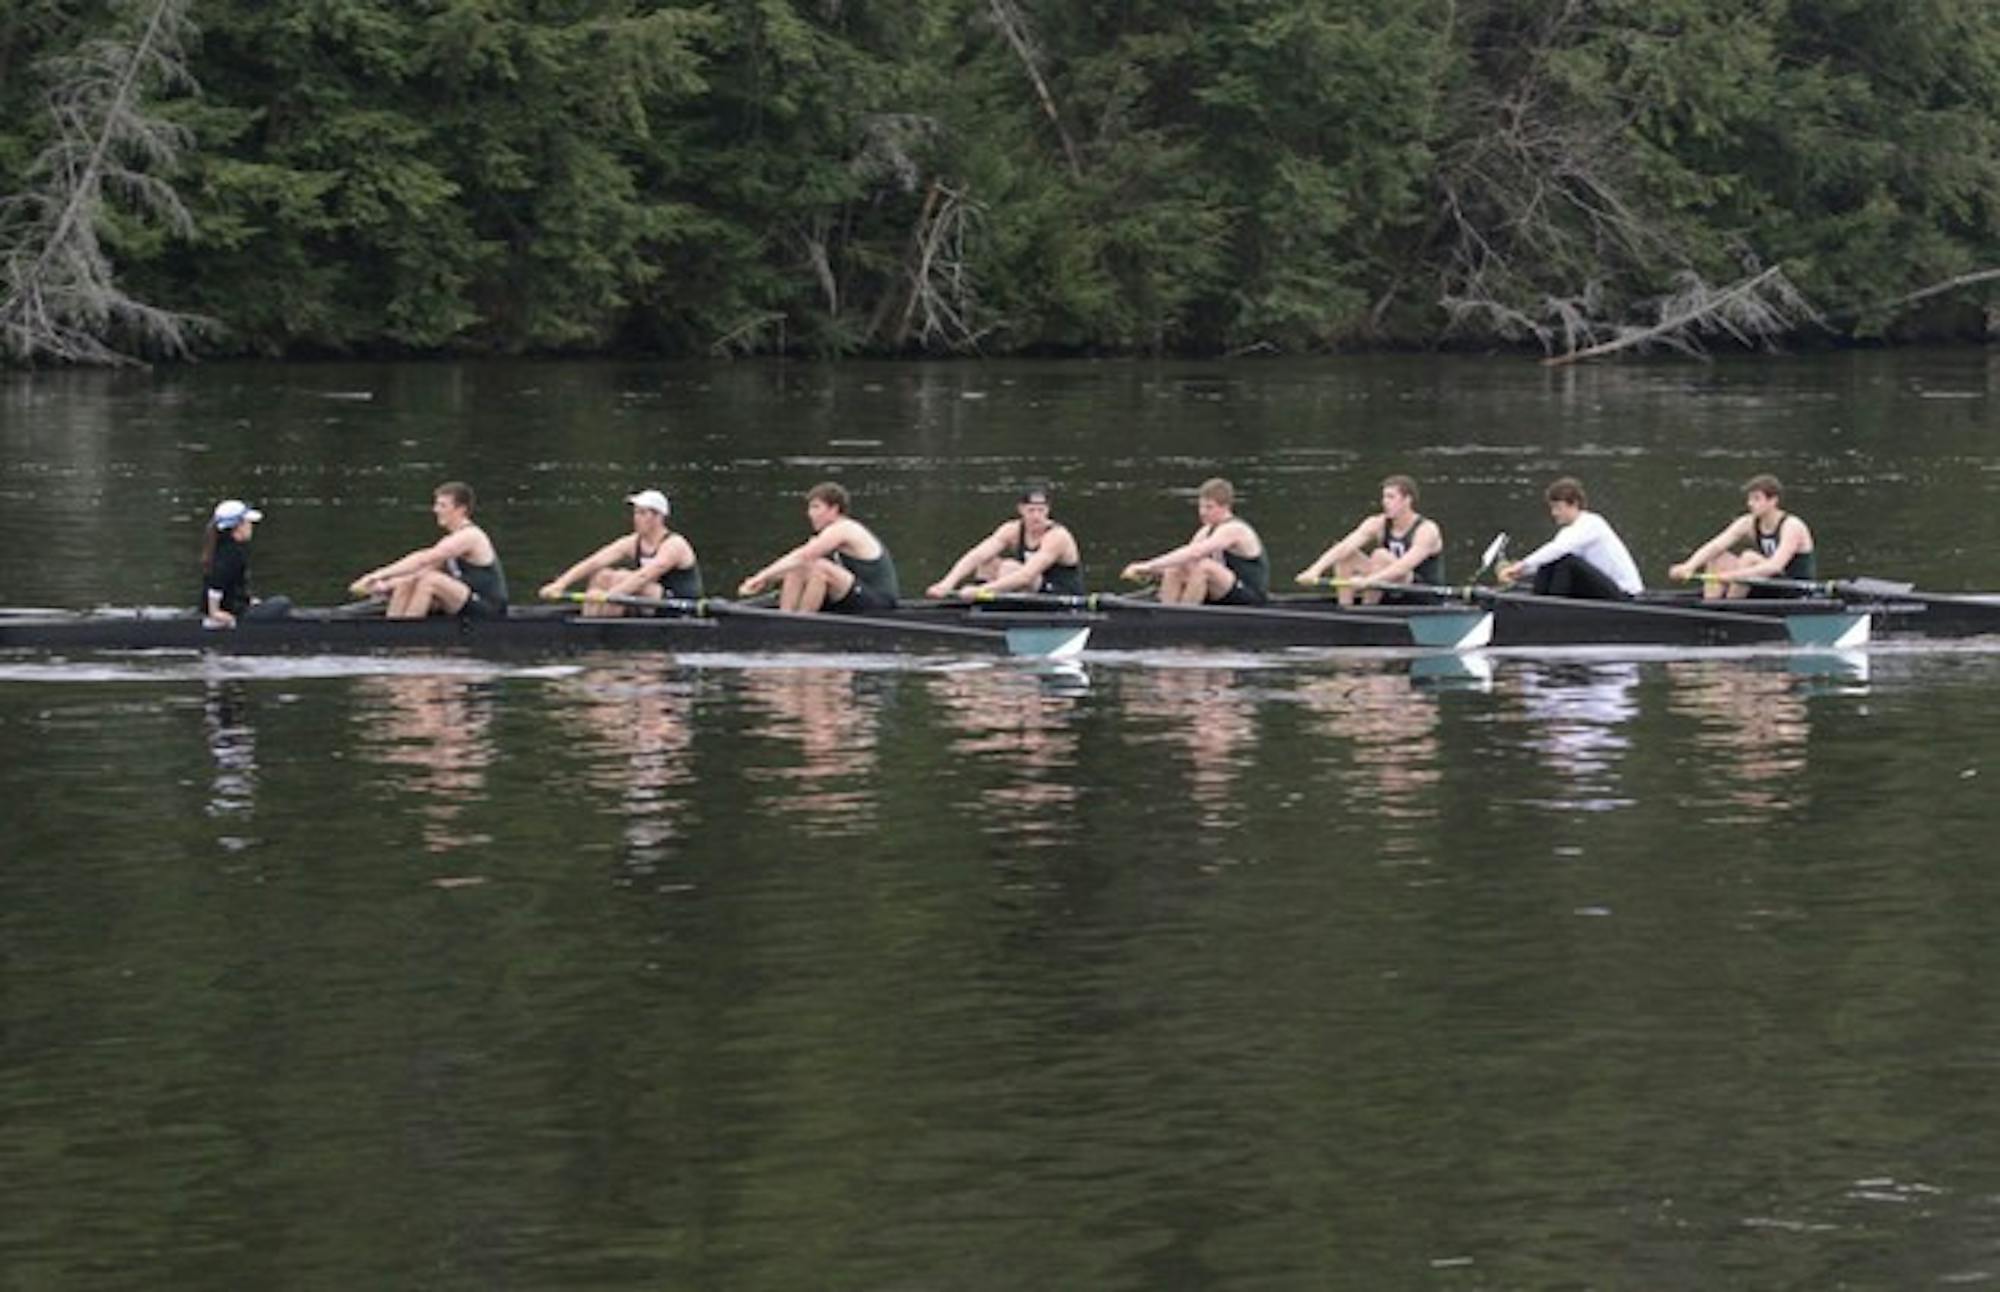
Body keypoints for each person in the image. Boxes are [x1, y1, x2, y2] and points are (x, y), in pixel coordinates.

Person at [348, 481, 509, 619]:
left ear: (461, 509)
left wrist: (377, 574)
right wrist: (383, 586)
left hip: (489, 608)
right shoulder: (449, 541)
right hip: (463, 601)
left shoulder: (471, 536)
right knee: (409, 581)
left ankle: (407, 635)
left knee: (429, 580)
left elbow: (423, 558)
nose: (435, 510)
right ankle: (393, 630)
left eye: (442, 505)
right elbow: (419, 570)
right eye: (436, 504)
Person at [738, 482, 901, 613]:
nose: (810, 513)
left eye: (816, 507)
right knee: (798, 567)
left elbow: (804, 555)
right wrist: (766, 581)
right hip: (853, 595)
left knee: (819, 567)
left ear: (834, 509)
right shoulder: (827, 535)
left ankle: (803, 622)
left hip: (879, 602)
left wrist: (760, 577)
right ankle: (786, 617)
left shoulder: (845, 528)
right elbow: (796, 561)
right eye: (810, 507)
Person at [538, 489, 701, 616]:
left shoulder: (674, 545)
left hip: (678, 606)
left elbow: (643, 577)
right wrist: (561, 584)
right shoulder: (633, 542)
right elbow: (595, 561)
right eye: (636, 513)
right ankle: (591, 621)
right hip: (647, 603)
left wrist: (608, 596)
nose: (636, 518)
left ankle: (603, 623)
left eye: (642, 513)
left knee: (621, 578)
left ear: (658, 518)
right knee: (602, 575)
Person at [1295, 474, 1445, 605]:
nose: (1385, 502)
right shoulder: (1377, 523)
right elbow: (1344, 547)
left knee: (1380, 556)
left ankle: (1368, 608)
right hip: (1384, 584)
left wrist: (1368, 580)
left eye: (1391, 497)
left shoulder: (1426, 530)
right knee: (1347, 556)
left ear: (1407, 500)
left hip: (1421, 593)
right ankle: (1346, 609)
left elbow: (1402, 568)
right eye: (1384, 497)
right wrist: (1315, 570)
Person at [1119, 477, 1269, 605]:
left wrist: (1148, 566)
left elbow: (1194, 553)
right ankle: (1167, 613)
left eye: (1209, 507)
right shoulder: (1205, 531)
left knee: (1203, 566)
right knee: (1177, 566)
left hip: (1250, 596)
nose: (1202, 512)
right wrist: (1149, 573)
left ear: (1226, 507)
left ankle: (1184, 616)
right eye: (1201, 507)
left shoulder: (1235, 529)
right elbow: (1184, 559)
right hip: (1222, 592)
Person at [1667, 474, 1817, 599]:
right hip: (1767, 583)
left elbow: (1774, 566)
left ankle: (1730, 607)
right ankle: (1711, 607)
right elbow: (1716, 545)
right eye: (1750, 499)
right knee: (1717, 557)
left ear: (1773, 501)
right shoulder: (1748, 522)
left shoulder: (1792, 526)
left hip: (1794, 589)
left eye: (1756, 499)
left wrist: (1732, 575)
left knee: (1748, 557)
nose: (1750, 504)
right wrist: (1689, 566)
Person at [924, 485, 1085, 600]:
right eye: (1031, 510)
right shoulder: (1012, 530)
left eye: (1041, 510)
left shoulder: (1057, 536)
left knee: (1009, 568)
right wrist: (947, 584)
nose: (1036, 516)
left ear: (1048, 510)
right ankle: (983, 607)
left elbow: (1025, 576)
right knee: (988, 562)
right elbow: (976, 555)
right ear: (1021, 509)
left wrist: (980, 590)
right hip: (1032, 591)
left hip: (1061, 595)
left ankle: (987, 602)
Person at [1498, 477, 1643, 599]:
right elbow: (1550, 554)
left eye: (1558, 508)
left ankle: (1551, 610)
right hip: (1604, 590)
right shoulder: (1568, 533)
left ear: (1574, 504)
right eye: (1552, 508)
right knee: (1550, 560)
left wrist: (1521, 565)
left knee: (1565, 561)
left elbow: (1557, 549)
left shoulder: (1592, 523)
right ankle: (1539, 603)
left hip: (1626, 594)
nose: (1554, 513)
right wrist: (1519, 572)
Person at [200, 499, 293, 627]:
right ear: (237, 527)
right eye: (247, 523)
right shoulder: (230, 554)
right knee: (283, 603)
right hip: (234, 612)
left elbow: (234, 586)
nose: (251, 526)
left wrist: (249, 600)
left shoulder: (226, 548)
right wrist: (215, 612)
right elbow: (216, 583)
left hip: (235, 605)